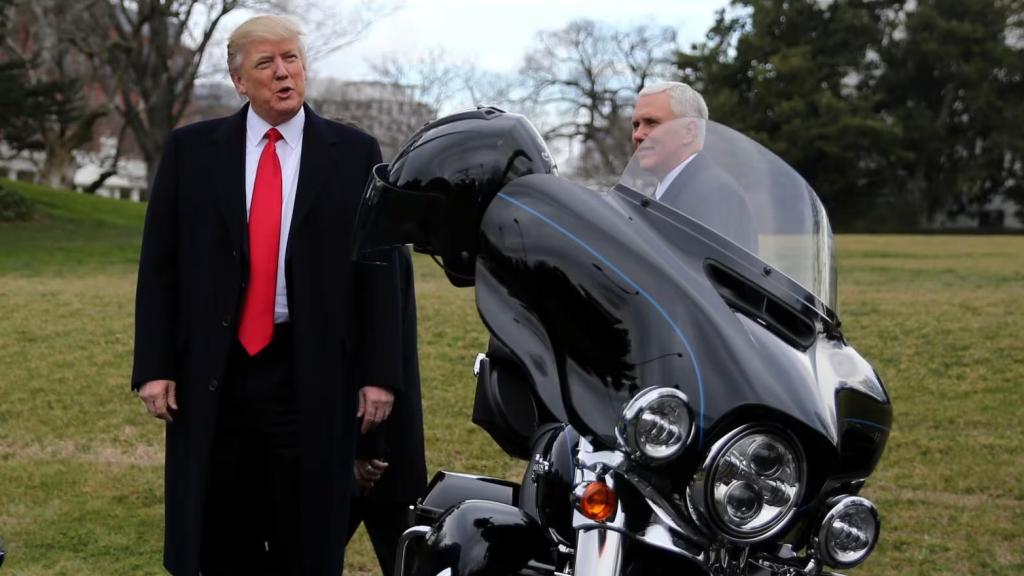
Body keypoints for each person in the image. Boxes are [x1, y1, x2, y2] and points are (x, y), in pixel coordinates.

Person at [132, 15, 402, 576]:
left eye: (292, 60)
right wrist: (154, 366)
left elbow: (379, 272)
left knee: (306, 532)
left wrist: (379, 373)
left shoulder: (354, 153)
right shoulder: (192, 151)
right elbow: (159, 267)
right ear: (239, 80)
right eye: (266, 63)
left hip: (310, 369)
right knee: (220, 528)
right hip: (217, 370)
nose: (284, 73)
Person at [347, 245, 427, 576]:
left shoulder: (374, 238)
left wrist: (366, 448)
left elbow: (378, 332)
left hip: (375, 442)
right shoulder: (385, 233)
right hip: (384, 441)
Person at [630, 81, 758, 252]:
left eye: (651, 122)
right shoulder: (662, 193)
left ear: (689, 132)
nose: (638, 134)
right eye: (636, 125)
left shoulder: (716, 193)